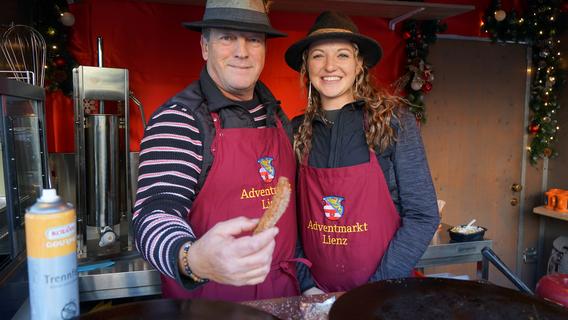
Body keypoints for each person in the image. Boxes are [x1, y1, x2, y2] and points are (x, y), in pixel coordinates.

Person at [133, 0, 301, 301]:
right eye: (227, 37)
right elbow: (154, 213)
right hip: (211, 303)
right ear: (204, 46)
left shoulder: (277, 115)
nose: (242, 51)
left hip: (283, 297)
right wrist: (194, 259)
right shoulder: (179, 119)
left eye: (253, 39)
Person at [285, 11, 440, 294]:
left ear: (359, 64)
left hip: (382, 294)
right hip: (316, 297)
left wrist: (375, 290)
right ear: (306, 66)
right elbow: (289, 220)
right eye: (318, 55)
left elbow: (423, 215)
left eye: (343, 55)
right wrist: (307, 285)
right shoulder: (295, 131)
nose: (330, 65)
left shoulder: (394, 122)